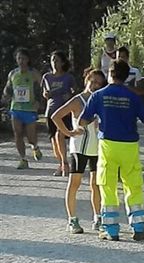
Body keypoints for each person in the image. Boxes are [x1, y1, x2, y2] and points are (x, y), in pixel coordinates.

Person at [77, 60, 144, 241]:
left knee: (107, 185)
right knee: (133, 184)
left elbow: (82, 120)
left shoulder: (98, 95)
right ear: (126, 77)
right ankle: (139, 227)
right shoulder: (133, 97)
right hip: (129, 146)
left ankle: (111, 230)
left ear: (110, 74)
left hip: (108, 145)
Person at [52, 69, 107, 234]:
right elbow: (56, 116)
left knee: (96, 184)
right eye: (93, 81)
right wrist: (69, 133)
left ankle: (97, 217)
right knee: (75, 183)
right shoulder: (78, 100)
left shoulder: (100, 100)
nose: (95, 85)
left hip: (97, 148)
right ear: (86, 80)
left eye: (99, 83)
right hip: (79, 148)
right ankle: (72, 219)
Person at [2, 48, 43, 169]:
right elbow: (8, 88)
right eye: (19, 58)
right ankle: (23, 159)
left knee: (31, 137)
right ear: (16, 59)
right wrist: (5, 96)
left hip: (30, 109)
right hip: (16, 108)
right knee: (18, 133)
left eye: (24, 58)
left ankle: (35, 147)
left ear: (28, 59)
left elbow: (43, 88)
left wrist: (39, 101)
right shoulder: (13, 73)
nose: (21, 61)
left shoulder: (33, 73)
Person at [42, 50, 76, 176]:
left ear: (62, 62)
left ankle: (66, 164)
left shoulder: (68, 77)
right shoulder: (47, 77)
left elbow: (74, 92)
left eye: (57, 60)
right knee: (54, 141)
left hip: (64, 112)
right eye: (52, 60)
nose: (54, 63)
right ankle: (61, 164)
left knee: (59, 135)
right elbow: (45, 93)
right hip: (50, 111)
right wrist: (46, 94)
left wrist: (70, 95)